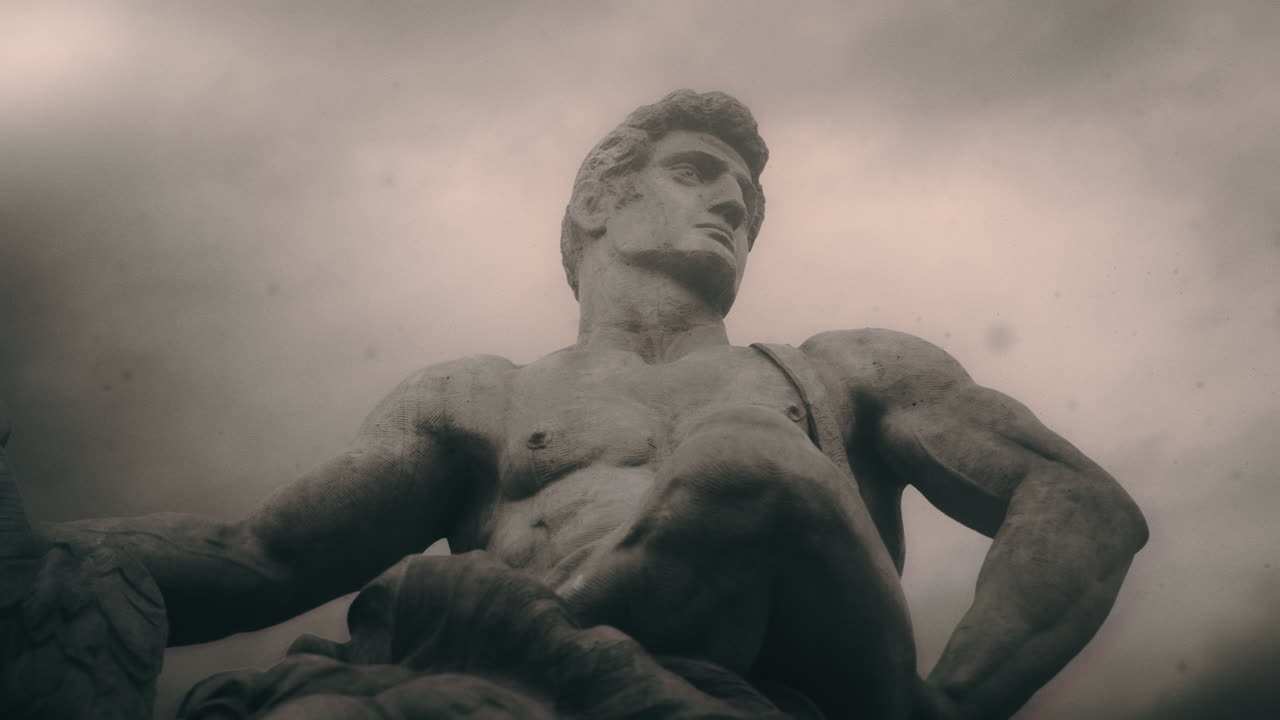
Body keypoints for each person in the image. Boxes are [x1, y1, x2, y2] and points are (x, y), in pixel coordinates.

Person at [0, 90, 1147, 720]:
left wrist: (946, 707)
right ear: (602, 194)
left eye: (748, 197)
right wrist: (43, 557)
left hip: (772, 691)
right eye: (701, 173)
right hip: (508, 674)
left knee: (746, 463)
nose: (736, 203)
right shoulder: (476, 399)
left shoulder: (845, 370)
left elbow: (1075, 501)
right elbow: (260, 555)